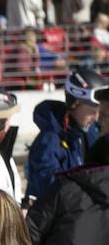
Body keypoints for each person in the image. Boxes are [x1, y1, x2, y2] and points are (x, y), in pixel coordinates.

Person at [26, 70, 104, 204]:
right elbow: (50, 188)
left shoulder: (88, 132)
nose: (96, 118)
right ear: (74, 104)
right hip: (57, 219)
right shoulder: (50, 140)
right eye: (92, 111)